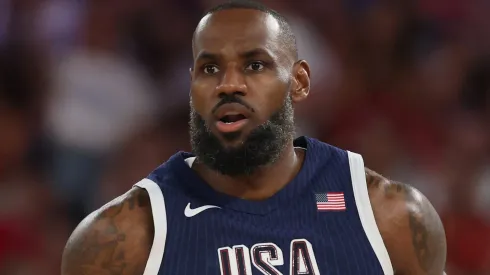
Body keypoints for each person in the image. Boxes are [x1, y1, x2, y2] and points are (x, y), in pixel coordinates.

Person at [61, 1, 447, 274]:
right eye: (209, 68)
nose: (229, 84)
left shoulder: (389, 215)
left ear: (299, 81)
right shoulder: (120, 238)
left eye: (255, 64)